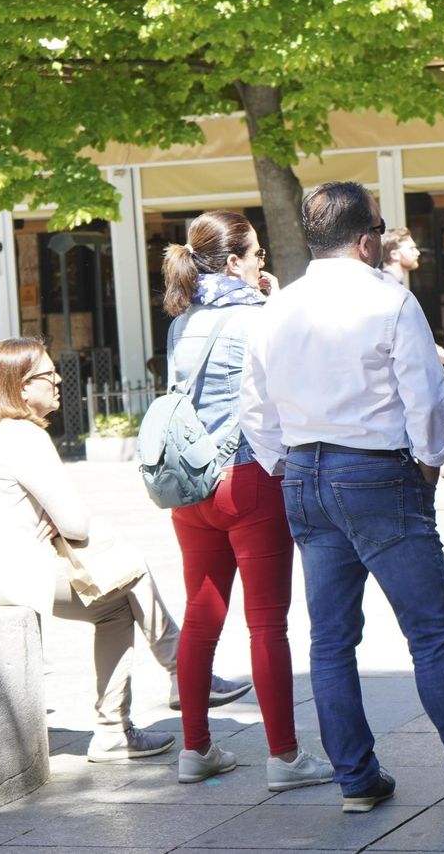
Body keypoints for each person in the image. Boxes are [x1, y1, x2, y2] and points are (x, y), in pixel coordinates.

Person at [239, 181, 444, 814]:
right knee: (430, 631)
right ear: (366, 238)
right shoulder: (389, 302)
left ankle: (355, 778)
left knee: (330, 639)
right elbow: (427, 398)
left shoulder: (277, 307)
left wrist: (282, 462)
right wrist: (432, 463)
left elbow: (255, 408)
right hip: (375, 471)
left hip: (304, 473)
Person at [0, 339, 249, 762]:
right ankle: (167, 685)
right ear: (19, 388)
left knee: (119, 597)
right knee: (129, 574)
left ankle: (142, 706)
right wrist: (54, 517)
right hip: (10, 578)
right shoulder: (22, 436)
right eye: (47, 375)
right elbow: (75, 523)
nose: (57, 381)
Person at [158, 211, 333, 790]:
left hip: (194, 487)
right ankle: (284, 757)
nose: (263, 263)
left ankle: (195, 749)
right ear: (235, 263)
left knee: (199, 619)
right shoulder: (263, 316)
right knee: (267, 624)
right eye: (256, 255)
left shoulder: (182, 324)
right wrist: (275, 303)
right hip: (250, 477)